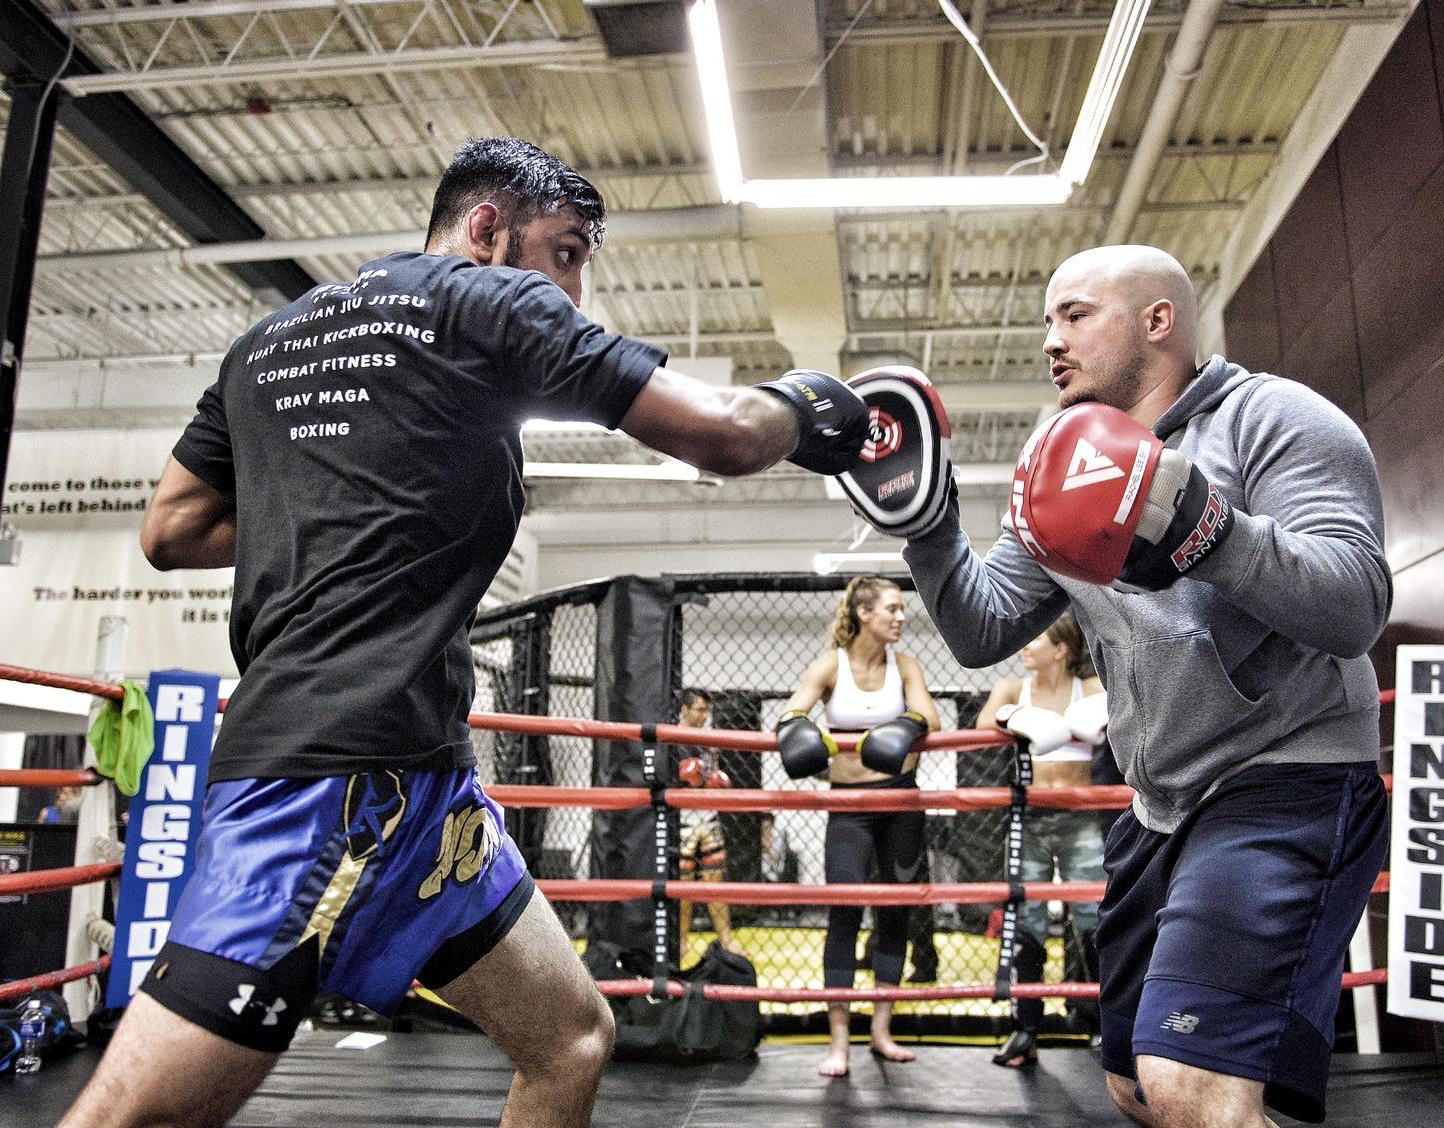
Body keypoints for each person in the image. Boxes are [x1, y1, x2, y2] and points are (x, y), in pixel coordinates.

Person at [62, 136, 868, 1128]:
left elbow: (172, 530)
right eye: (564, 252)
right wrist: (811, 403)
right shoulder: (488, 301)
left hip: (427, 792)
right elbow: (728, 434)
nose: (570, 292)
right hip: (329, 785)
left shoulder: (266, 343)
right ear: (486, 228)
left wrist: (345, 504)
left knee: (570, 1038)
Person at [889, 245, 1390, 1126]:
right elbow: (984, 627)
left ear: (1159, 321)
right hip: (1160, 805)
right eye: (1048, 320)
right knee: (1131, 1083)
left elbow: (1357, 605)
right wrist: (928, 525)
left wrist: (1203, 526)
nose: (1052, 339)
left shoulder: (1272, 419)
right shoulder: (1058, 460)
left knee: (1188, 1081)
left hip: (1285, 780)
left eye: (1075, 315)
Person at [776, 576, 941, 1077]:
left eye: (901, 608)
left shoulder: (905, 665)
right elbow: (791, 712)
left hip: (901, 801)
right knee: (844, 914)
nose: (900, 616)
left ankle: (882, 1032)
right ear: (864, 613)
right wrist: (811, 737)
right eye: (891, 608)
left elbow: (929, 715)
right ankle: (839, 1042)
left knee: (894, 918)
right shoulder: (832, 664)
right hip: (849, 806)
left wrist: (905, 727)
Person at [975, 615, 1106, 1067]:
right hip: (1029, 819)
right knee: (1026, 918)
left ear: (1062, 648)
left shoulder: (1087, 687)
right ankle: (1026, 1028)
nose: (1025, 647)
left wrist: (1080, 718)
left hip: (1079, 819)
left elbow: (1113, 711)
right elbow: (978, 730)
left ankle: (1103, 1025)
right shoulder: (1014, 689)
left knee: (1091, 916)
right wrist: (1015, 717)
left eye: (1036, 639)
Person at [674, 687, 746, 963]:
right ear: (684, 710)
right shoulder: (672, 738)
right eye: (700, 710)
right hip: (683, 816)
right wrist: (686, 775)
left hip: (707, 814)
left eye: (707, 710)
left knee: (716, 877)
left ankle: (726, 939)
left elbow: (710, 776)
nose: (705, 716)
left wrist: (716, 780)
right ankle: (681, 941)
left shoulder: (708, 739)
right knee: (683, 882)